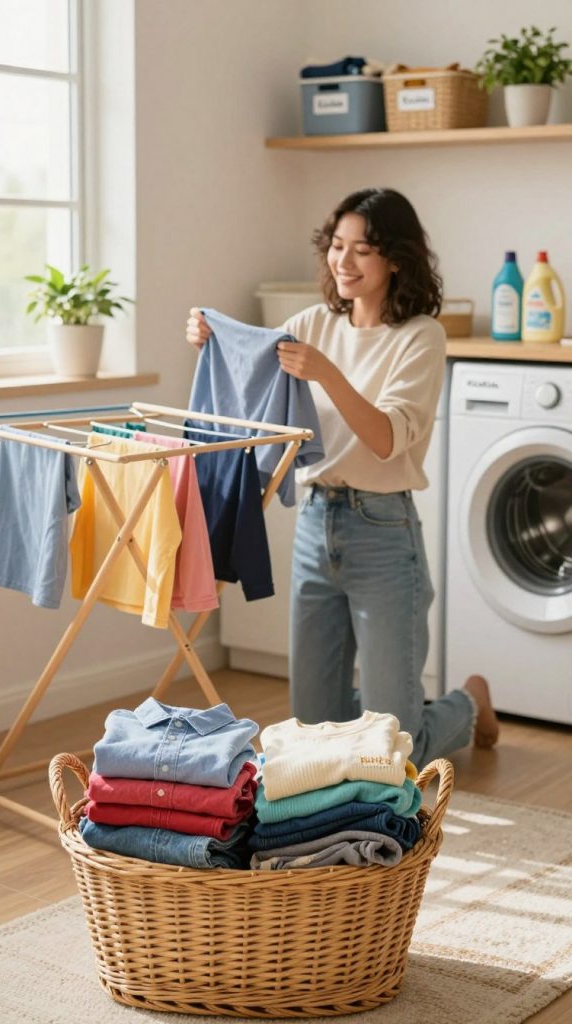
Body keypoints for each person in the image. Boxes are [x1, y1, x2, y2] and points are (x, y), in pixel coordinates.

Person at [186, 187, 499, 768]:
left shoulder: (421, 337)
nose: (343, 262)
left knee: (396, 748)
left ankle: (468, 704)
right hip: (315, 524)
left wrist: (327, 374)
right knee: (309, 732)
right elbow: (257, 371)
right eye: (336, 246)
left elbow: (385, 440)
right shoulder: (312, 322)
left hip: (383, 533)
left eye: (363, 250)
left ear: (396, 260)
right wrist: (211, 337)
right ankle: (380, 714)